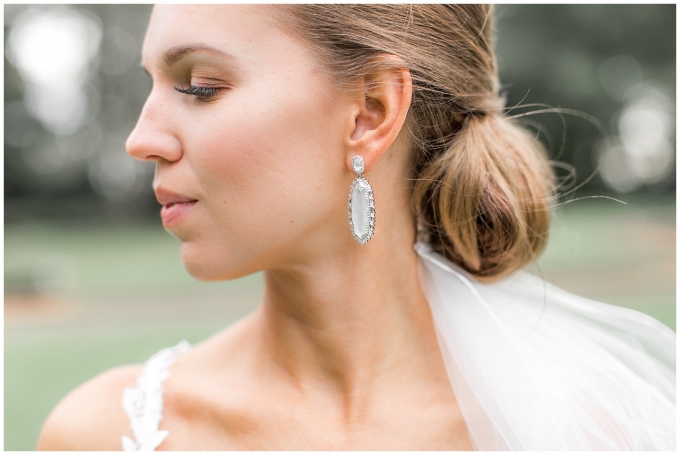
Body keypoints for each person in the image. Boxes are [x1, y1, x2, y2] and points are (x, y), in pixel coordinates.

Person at [37, 5, 675, 451]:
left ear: (370, 112)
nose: (140, 140)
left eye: (200, 86)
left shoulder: (584, 436)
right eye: (152, 86)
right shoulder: (105, 436)